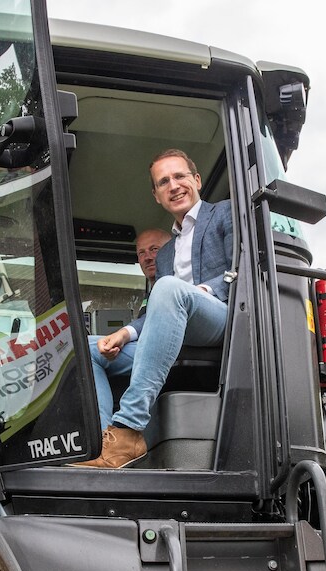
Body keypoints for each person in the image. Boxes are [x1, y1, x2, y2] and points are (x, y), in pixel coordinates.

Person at [77, 149, 234, 468]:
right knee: (85, 348)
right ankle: (103, 445)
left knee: (169, 288)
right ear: (157, 195)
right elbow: (159, 310)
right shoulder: (166, 254)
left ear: (197, 180)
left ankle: (129, 428)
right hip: (174, 331)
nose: (173, 186)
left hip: (220, 318)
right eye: (163, 182)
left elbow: (240, 269)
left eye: (180, 176)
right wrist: (124, 333)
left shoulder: (225, 213)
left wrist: (197, 292)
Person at [88, 227, 172, 430]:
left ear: (172, 250)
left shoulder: (173, 285)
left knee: (86, 351)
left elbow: (153, 322)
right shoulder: (151, 292)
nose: (148, 257)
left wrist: (123, 334)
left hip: (169, 349)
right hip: (151, 346)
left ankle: (103, 437)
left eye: (154, 249)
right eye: (141, 253)